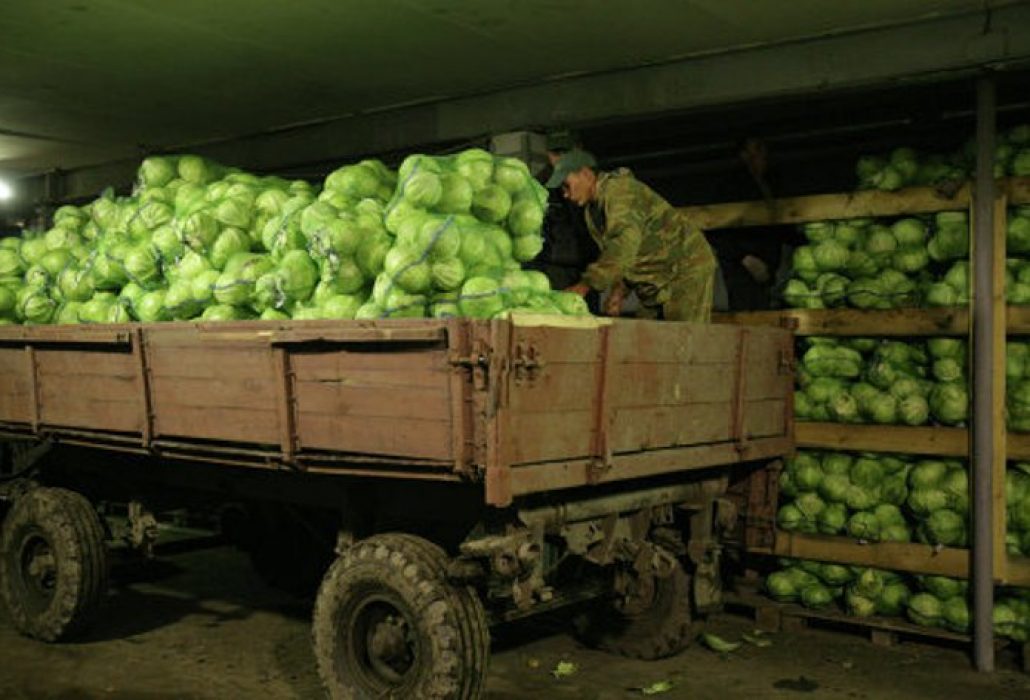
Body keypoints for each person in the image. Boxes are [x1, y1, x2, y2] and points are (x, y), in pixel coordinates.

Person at [547, 149, 717, 322]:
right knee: (649, 337)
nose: (566, 194)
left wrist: (585, 285)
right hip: (654, 280)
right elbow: (627, 255)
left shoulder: (620, 192)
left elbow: (624, 244)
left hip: (683, 269)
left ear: (585, 173)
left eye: (566, 185)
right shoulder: (593, 211)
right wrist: (618, 293)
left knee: (683, 339)